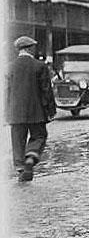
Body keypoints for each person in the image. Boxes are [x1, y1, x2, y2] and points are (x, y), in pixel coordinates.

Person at [7, 36, 56, 182]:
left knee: (17, 140)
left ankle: (20, 168)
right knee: (39, 136)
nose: (34, 50)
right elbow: (46, 91)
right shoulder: (40, 66)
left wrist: (6, 112)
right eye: (33, 47)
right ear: (29, 48)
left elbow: (6, 91)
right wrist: (51, 110)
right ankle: (31, 156)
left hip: (15, 112)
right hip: (36, 112)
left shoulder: (10, 67)